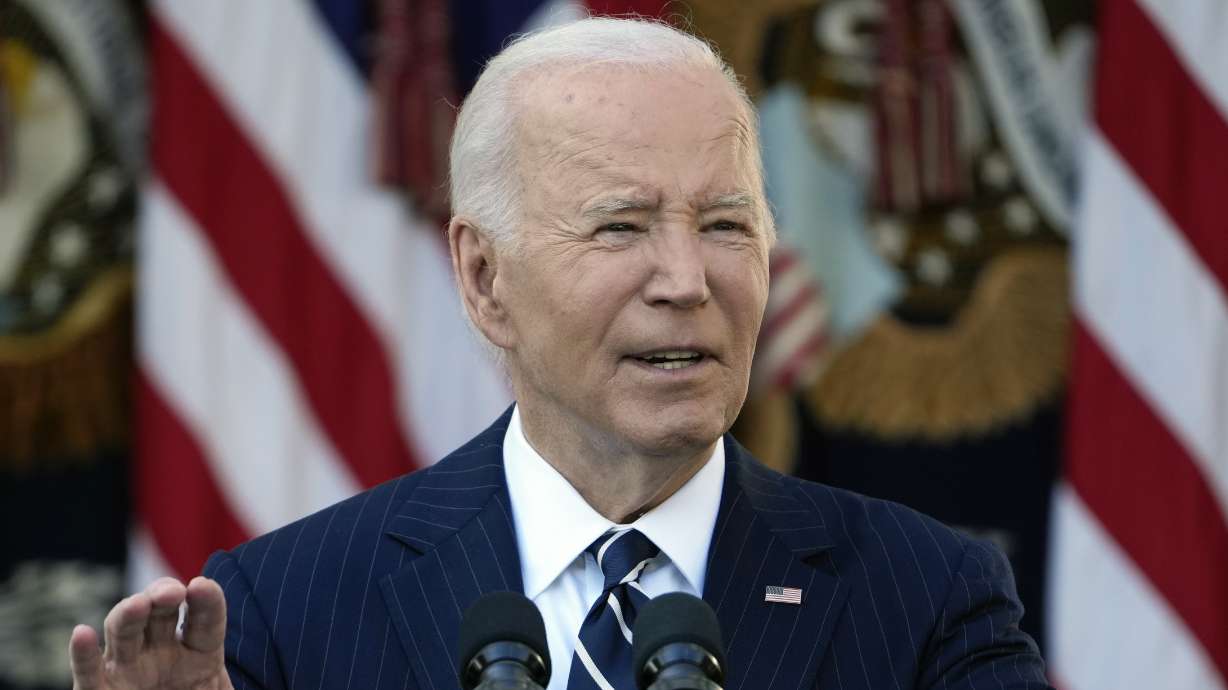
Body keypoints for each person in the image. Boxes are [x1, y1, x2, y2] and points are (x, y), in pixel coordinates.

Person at [69, 17, 1051, 690]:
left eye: (722, 223)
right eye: (621, 227)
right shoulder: (280, 613)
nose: (685, 279)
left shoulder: (927, 601)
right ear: (485, 279)